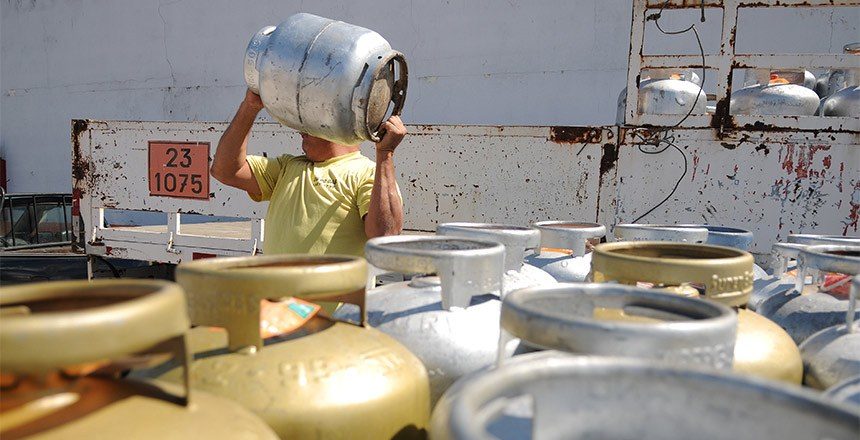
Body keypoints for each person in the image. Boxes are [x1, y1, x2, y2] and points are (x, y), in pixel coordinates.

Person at [210, 89, 405, 257]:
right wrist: (250, 106)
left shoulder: (367, 173)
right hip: (282, 301)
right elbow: (224, 170)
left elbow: (385, 238)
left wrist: (385, 154)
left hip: (336, 302)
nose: (301, 130)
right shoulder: (287, 167)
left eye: (310, 122)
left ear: (336, 126)